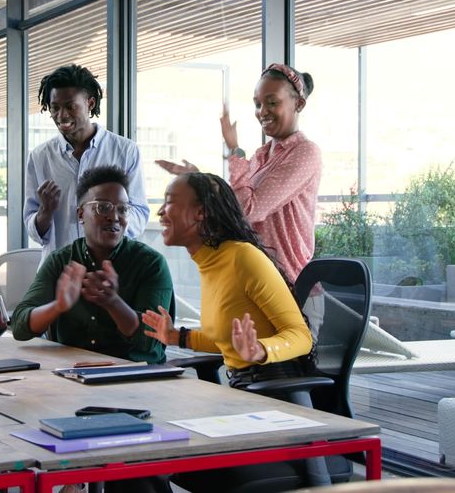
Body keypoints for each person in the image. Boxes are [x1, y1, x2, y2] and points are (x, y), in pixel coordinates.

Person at [140, 171, 328, 488]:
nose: (160, 211)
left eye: (170, 202)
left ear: (201, 213)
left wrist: (262, 350)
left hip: (278, 403)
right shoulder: (210, 262)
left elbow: (300, 336)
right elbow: (226, 339)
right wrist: (177, 337)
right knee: (147, 452)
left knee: (154, 458)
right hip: (243, 397)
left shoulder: (243, 258)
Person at [156, 63, 321, 284]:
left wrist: (235, 150)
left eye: (272, 102)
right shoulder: (262, 155)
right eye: (258, 104)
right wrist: (198, 179)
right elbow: (234, 202)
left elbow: (247, 210)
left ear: (298, 104)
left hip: (290, 284)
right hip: (257, 277)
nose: (262, 111)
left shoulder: (305, 152)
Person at [11, 165, 172, 364]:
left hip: (135, 376)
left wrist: (113, 302)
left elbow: (151, 339)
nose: (114, 217)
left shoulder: (151, 264)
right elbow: (19, 327)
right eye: (102, 207)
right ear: (80, 215)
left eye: (122, 209)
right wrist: (58, 306)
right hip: (73, 373)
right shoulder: (61, 261)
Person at [24, 64, 150, 262]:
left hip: (110, 272)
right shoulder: (40, 157)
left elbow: (139, 214)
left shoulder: (125, 151)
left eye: (70, 106)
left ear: (90, 104)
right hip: (59, 272)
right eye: (54, 108)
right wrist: (45, 212)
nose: (61, 115)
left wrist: (109, 219)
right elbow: (33, 229)